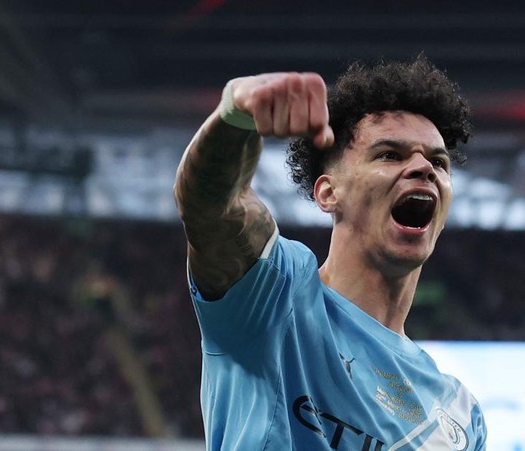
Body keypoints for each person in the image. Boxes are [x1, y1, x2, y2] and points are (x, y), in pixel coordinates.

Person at [174, 55, 487, 450]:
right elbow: (212, 204)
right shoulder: (274, 296)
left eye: (438, 161)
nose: (424, 167)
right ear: (328, 192)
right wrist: (236, 114)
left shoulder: (458, 415)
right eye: (389, 154)